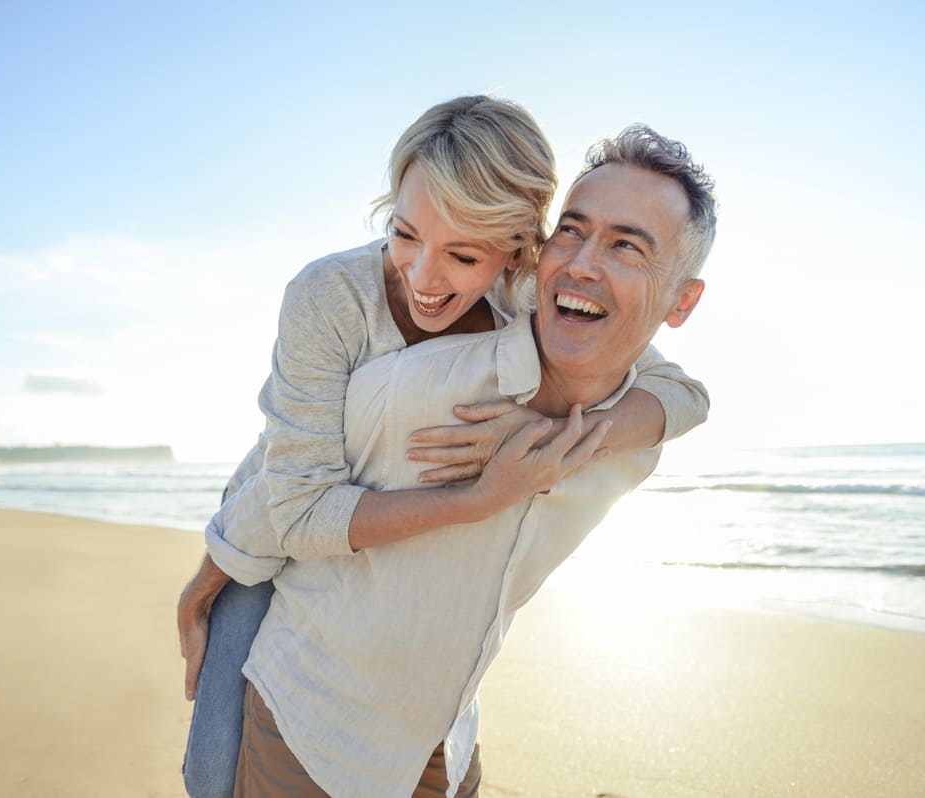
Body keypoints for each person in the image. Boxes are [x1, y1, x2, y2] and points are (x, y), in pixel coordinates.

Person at [179, 100, 710, 798]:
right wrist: (210, 572)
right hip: (268, 510)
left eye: (462, 254)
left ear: (517, 247)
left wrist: (564, 437)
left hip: (407, 677)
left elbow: (685, 395)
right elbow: (296, 502)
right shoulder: (333, 298)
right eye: (404, 234)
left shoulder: (526, 299)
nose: (424, 278)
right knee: (212, 773)